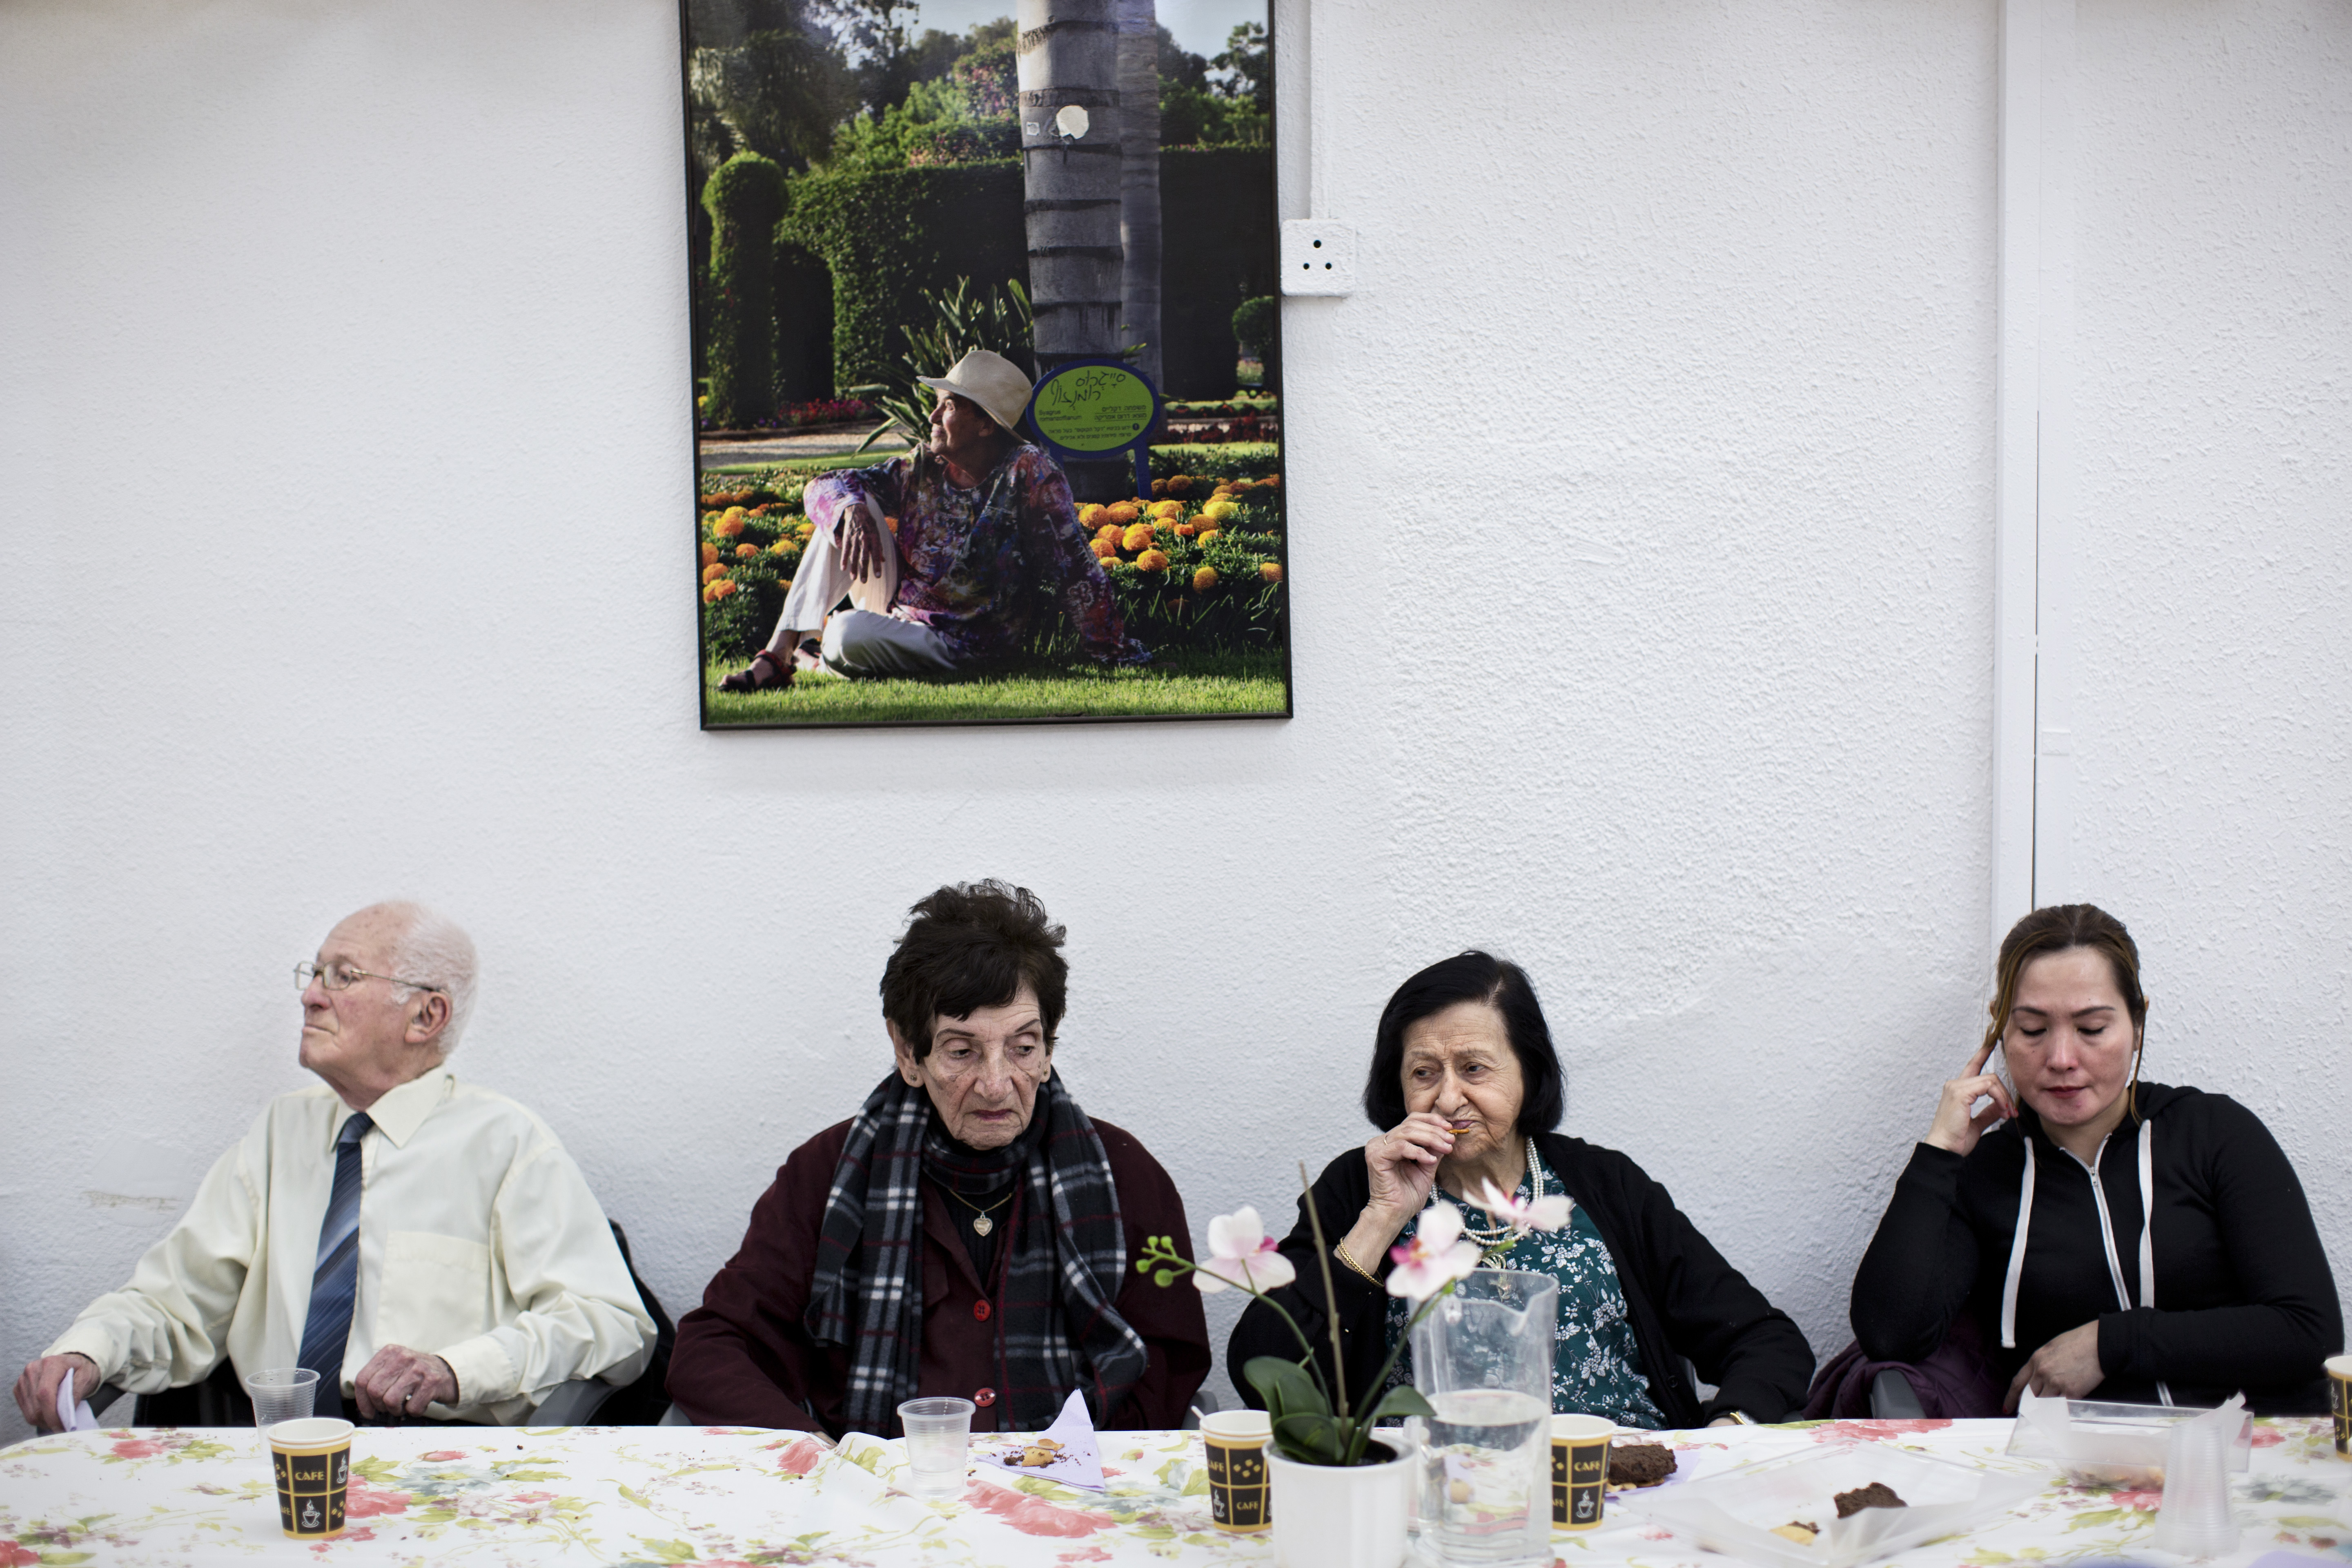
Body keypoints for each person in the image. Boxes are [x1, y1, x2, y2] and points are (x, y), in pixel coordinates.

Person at [12, 902, 655, 1431]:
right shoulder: (280, 1132)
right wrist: (87, 1351)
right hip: (268, 1448)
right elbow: (178, 1301)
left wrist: (458, 1368)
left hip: (432, 1456)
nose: (311, 997)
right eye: (313, 974)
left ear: (426, 1016)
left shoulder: (507, 1143)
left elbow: (613, 1323)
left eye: (342, 977)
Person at [668, 880, 1209, 1436]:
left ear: (1049, 1048)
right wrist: (818, 1456)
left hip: (1073, 1495)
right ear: (908, 1051)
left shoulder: (1123, 1175)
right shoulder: (827, 1176)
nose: (996, 1085)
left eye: (1023, 1048)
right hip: (881, 1498)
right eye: (962, 1051)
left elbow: (1167, 1364)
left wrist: (1071, 1472)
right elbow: (715, 1349)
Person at [1230, 951, 1814, 1428]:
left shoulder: (1606, 1184)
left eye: (1475, 1069)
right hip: (1432, 1494)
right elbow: (1265, 1374)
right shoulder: (1358, 1187)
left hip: (1620, 1488)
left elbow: (1765, 1340)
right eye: (1424, 1072)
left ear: (1529, 1072)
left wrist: (1728, 1433)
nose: (1449, 1098)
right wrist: (1382, 1218)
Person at [1851, 903, 2341, 1414]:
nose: (2062, 1058)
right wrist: (1938, 1156)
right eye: (2033, 1030)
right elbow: (1891, 1335)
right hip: (2075, 1475)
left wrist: (2112, 1344)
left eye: (2091, 1028)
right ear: (2000, 1030)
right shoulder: (1987, 1171)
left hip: (2248, 1459)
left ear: (2137, 1023)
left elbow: (2309, 1333)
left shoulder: (2214, 1134)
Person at [717, 350, 1145, 690]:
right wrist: (849, 510)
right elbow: (823, 485)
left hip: (967, 641)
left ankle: (815, 660)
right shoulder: (921, 467)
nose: (932, 418)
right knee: (847, 507)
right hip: (899, 616)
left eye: (948, 407)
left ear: (984, 425)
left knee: (845, 633)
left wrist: (1113, 649)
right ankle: (776, 655)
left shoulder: (1028, 473)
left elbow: (1075, 568)